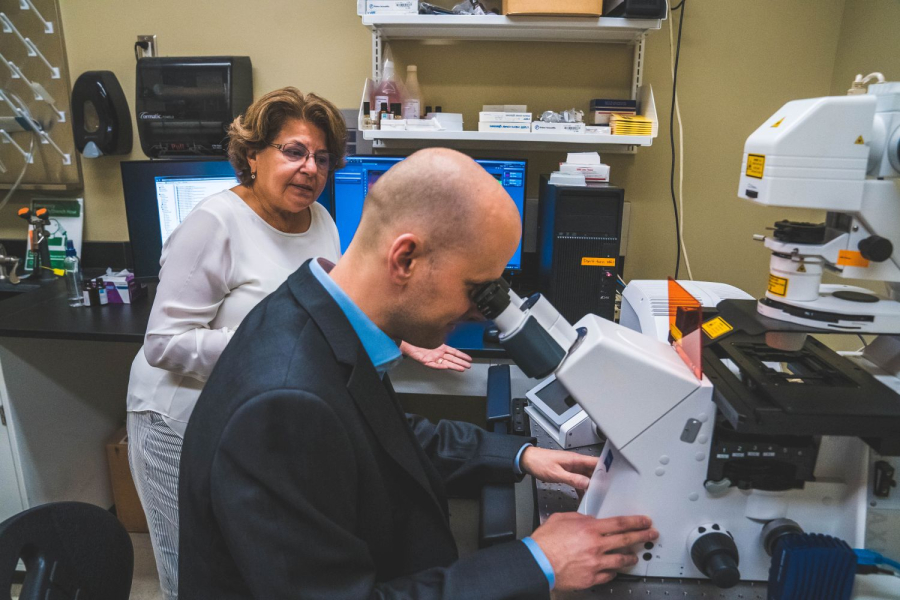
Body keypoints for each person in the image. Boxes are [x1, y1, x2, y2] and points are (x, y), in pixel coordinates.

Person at [179, 148, 658, 599]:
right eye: (479, 289)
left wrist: (521, 455)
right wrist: (538, 561)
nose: (485, 313)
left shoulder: (317, 311)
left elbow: (381, 440)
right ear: (405, 259)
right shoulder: (284, 403)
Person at [125, 88, 472, 600]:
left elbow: (332, 309)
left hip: (264, 417)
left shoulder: (323, 223)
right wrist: (279, 351)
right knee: (194, 569)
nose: (310, 168)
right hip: (177, 419)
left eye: (322, 157)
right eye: (293, 152)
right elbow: (164, 343)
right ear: (252, 156)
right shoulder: (214, 224)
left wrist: (397, 334)